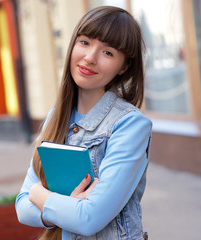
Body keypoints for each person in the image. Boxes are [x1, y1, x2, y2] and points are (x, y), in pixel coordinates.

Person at [16, 6, 152, 240]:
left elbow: (89, 219)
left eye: (108, 52)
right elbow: (21, 208)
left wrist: (40, 195)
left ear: (124, 66)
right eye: (85, 42)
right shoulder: (55, 118)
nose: (90, 58)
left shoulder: (130, 125)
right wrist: (65, 207)